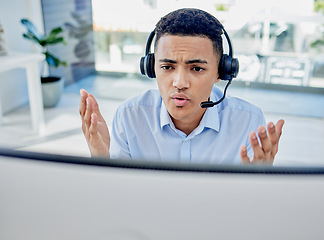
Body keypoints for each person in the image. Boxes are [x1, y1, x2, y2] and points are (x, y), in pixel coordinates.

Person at [79, 8, 284, 165]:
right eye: (167, 67)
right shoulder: (130, 117)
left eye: (196, 69)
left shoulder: (248, 121)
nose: (179, 83)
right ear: (151, 68)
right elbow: (122, 202)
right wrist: (103, 161)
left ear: (221, 72)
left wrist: (257, 184)